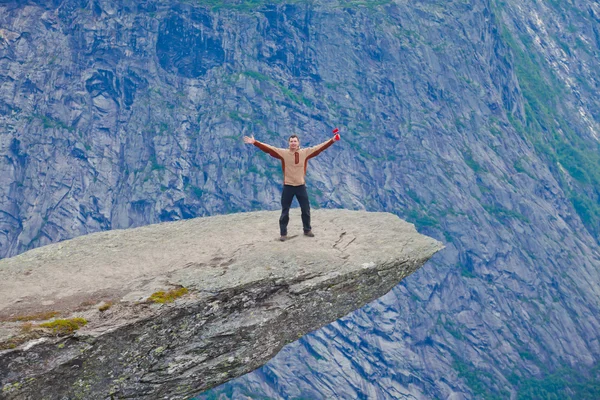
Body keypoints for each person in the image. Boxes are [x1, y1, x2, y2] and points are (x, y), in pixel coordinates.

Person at [243, 131, 341, 241]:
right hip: (288, 186)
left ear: (299, 143)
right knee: (285, 210)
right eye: (291, 141)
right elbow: (269, 149)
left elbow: (320, 148)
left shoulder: (305, 153)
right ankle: (283, 234)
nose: (293, 143)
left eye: (295, 141)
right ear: (288, 143)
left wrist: (332, 140)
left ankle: (307, 229)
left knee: (305, 209)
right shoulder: (283, 153)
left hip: (300, 186)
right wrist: (255, 142)